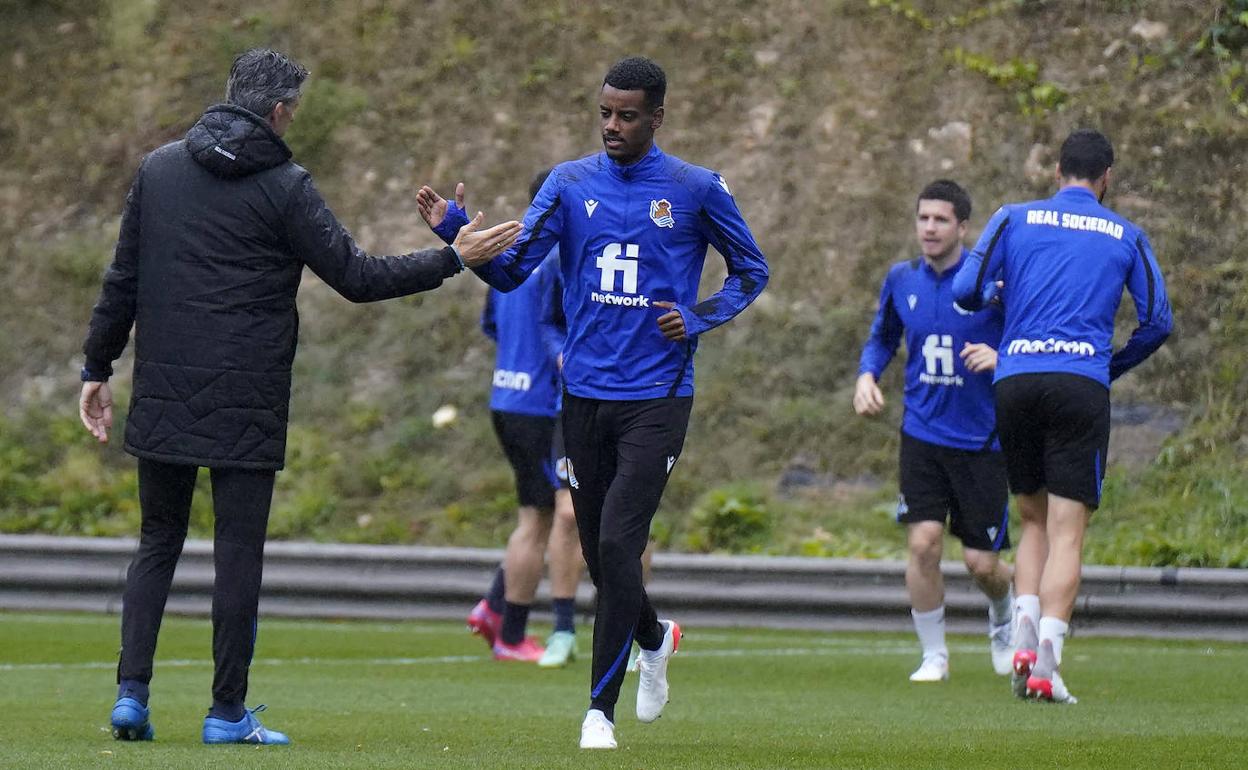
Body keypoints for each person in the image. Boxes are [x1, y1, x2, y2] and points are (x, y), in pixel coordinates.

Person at [77, 48, 520, 745]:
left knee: (157, 540)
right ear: (280, 110)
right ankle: (225, 714)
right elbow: (357, 276)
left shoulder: (160, 170)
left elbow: (121, 278)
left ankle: (131, 695)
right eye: (295, 110)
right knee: (238, 552)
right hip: (248, 394)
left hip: (163, 383)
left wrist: (96, 368)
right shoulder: (285, 186)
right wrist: (451, 258)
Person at [417, 56, 768, 749]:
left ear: (657, 117)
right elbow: (515, 273)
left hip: (658, 396)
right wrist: (455, 231)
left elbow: (751, 270)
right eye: (605, 112)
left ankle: (598, 713)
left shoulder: (696, 189)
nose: (612, 125)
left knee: (612, 541)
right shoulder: (568, 183)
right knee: (600, 548)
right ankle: (654, 636)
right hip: (582, 395)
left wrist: (698, 317)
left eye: (628, 114)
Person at [953, 129, 1172, 703]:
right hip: (1080, 384)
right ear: (1107, 179)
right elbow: (1158, 321)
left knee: (1031, 519)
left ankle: (1023, 632)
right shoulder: (1126, 233)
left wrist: (1003, 293)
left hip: (1017, 378)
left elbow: (966, 288)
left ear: (1057, 173)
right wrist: (1108, 365)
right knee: (1067, 529)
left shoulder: (1014, 217)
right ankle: (1046, 664)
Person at [854, 180, 1015, 683]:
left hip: (982, 441)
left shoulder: (994, 285)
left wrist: (1002, 357)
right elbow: (882, 337)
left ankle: (1004, 614)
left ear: (963, 227)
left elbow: (1032, 342)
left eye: (940, 219)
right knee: (923, 543)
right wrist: (867, 376)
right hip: (922, 434)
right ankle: (934, 656)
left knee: (981, 564)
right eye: (923, 218)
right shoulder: (902, 279)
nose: (929, 228)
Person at [464, 168, 586, 667]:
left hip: (505, 397)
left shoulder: (509, 254)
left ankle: (493, 607)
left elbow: (492, 325)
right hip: (542, 403)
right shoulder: (564, 257)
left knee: (533, 515)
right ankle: (511, 630)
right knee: (547, 522)